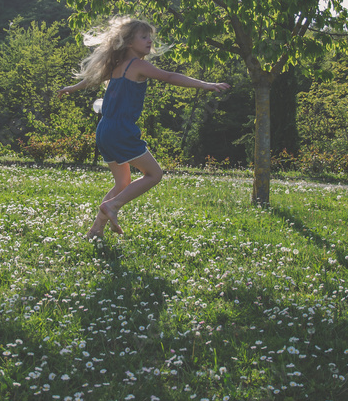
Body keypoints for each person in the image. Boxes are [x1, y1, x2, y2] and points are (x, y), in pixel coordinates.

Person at [58, 17, 230, 239]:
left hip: (105, 129)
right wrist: (205, 85)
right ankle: (113, 206)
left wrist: (71, 88)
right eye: (144, 37)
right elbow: (169, 76)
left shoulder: (115, 65)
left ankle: (95, 230)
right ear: (129, 42)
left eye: (150, 37)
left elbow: (91, 80)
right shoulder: (137, 65)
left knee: (122, 183)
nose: (150, 41)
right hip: (121, 130)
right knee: (154, 174)